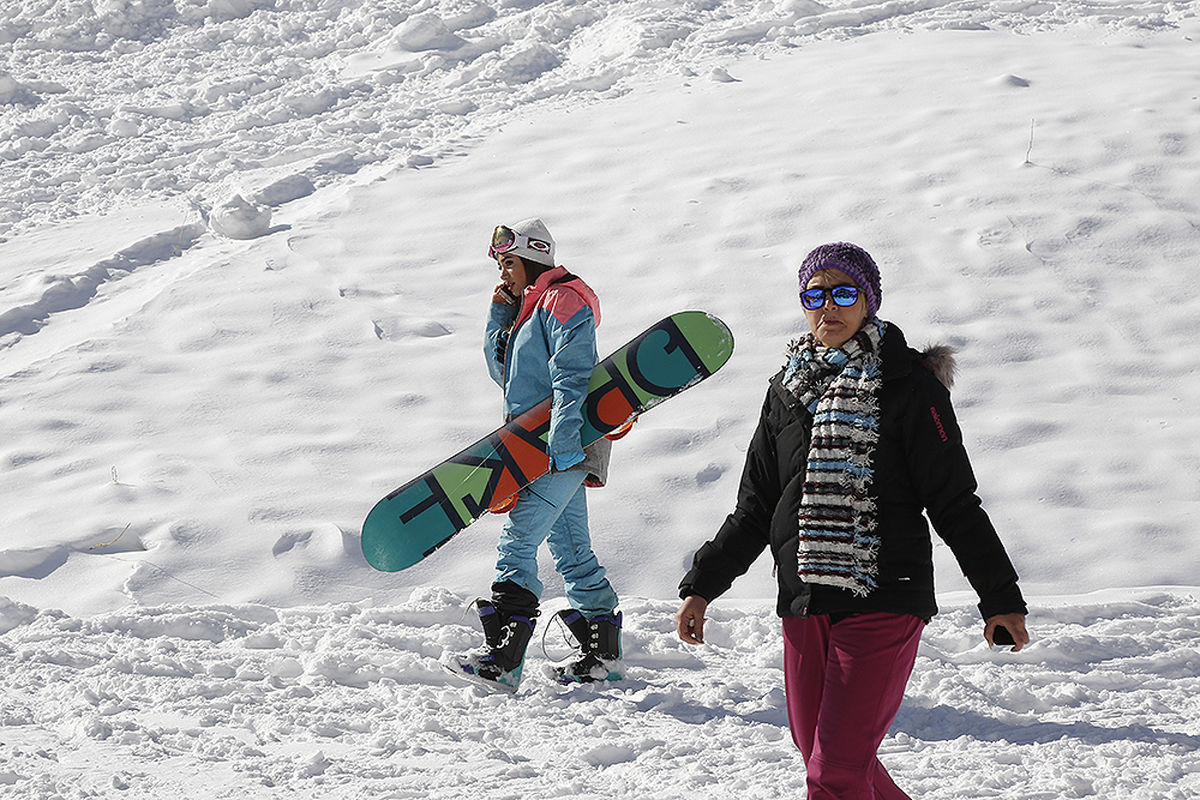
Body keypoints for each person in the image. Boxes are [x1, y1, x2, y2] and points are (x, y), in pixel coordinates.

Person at [674, 242, 1029, 798]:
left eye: (844, 293)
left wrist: (1000, 598)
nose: (828, 308)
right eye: (815, 295)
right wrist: (703, 587)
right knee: (822, 751)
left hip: (885, 595)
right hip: (805, 599)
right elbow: (757, 506)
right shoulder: (786, 390)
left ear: (869, 301)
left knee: (834, 768)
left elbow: (954, 501)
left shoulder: (910, 384)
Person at [446, 217, 623, 692]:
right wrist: (500, 317)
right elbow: (503, 374)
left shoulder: (564, 299)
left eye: (507, 263)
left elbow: (573, 373)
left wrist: (562, 444)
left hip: (555, 447)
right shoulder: (532, 306)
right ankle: (602, 657)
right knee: (571, 551)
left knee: (517, 544)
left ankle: (503, 662)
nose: (502, 273)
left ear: (530, 257)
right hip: (539, 446)